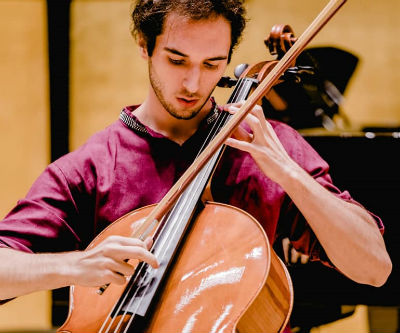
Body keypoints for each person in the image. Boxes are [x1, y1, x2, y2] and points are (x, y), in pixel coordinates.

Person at [0, 0, 391, 323]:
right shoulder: (94, 166)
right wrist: (75, 266)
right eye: (177, 60)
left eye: (211, 64)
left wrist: (289, 174)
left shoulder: (264, 148)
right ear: (144, 44)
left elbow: (374, 269)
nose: (193, 84)